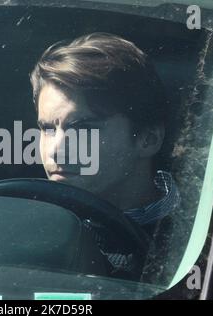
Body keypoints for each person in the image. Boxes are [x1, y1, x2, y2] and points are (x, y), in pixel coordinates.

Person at [30, 32, 188, 285]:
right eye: (48, 128)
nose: (56, 150)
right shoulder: (26, 227)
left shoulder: (201, 236)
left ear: (148, 139)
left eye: (84, 128)